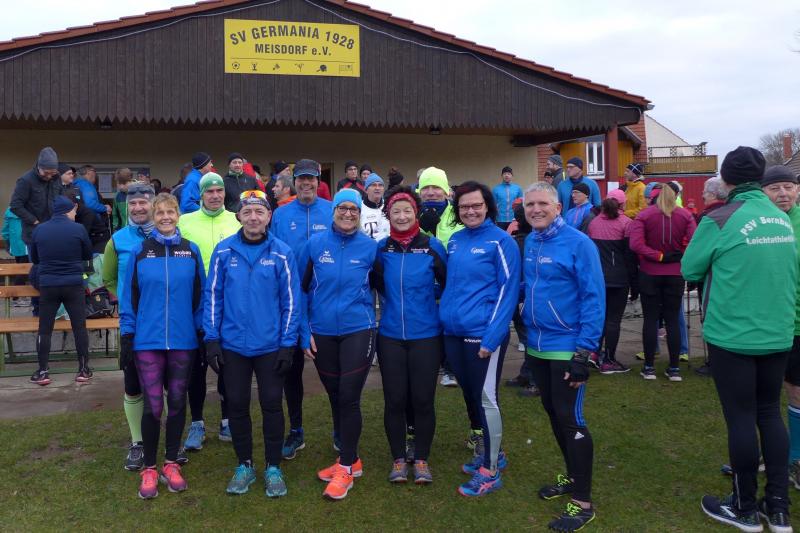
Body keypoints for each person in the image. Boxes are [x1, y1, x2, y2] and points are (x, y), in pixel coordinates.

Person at [683, 148, 797, 532]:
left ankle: (744, 507)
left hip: (733, 335)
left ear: (726, 180)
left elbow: (690, 268)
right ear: (761, 178)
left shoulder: (719, 217)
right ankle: (778, 509)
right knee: (771, 413)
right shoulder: (781, 219)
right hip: (778, 331)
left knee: (742, 418)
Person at [204, 189, 300, 497]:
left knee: (272, 404)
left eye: (260, 211)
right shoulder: (223, 251)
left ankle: (273, 467)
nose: (254, 217)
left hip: (270, 346)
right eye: (248, 212)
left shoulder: (282, 252)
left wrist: (288, 344)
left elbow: (291, 301)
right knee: (236, 404)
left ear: (269, 216)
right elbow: (213, 297)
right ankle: (244, 464)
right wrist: (212, 339)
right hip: (233, 346)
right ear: (239, 217)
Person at [521, 182, 603, 532]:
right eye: (530, 205)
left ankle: (583, 503)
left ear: (558, 207)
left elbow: (593, 297)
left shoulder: (579, 243)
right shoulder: (531, 241)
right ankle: (572, 477)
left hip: (568, 345)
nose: (536, 210)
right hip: (537, 344)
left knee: (571, 418)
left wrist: (584, 352)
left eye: (543, 203)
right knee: (554, 413)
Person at [119, 193, 205, 500]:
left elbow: (201, 296)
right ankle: (150, 467)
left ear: (178, 215)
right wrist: (127, 335)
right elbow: (128, 297)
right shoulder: (140, 252)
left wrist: (202, 333)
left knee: (178, 402)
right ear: (153, 217)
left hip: (183, 340)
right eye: (160, 213)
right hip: (148, 341)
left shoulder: (191, 250)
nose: (166, 217)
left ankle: (171, 463)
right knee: (154, 406)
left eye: (171, 212)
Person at [298, 188, 381, 500]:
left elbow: (384, 288)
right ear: (333, 211)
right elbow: (300, 289)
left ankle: (345, 467)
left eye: (354, 209)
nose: (348, 214)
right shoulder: (314, 244)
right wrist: (304, 330)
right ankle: (352, 459)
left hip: (358, 328)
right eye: (342, 208)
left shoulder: (371, 248)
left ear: (360, 213)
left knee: (348, 396)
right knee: (335, 395)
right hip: (321, 331)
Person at [439, 181, 520, 497]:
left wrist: (493, 336)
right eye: (464, 206)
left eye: (476, 205)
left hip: (483, 334)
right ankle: (492, 450)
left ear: (487, 206)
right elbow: (452, 285)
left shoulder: (501, 241)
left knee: (487, 399)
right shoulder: (456, 240)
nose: (470, 211)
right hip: (454, 333)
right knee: (472, 395)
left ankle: (490, 469)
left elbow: (508, 290)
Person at [376, 186, 447, 484]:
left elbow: (448, 285)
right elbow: (376, 283)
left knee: (422, 400)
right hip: (390, 335)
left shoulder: (433, 246)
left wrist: (428, 301)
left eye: (407, 210)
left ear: (416, 213)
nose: (402, 216)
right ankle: (397, 459)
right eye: (396, 211)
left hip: (426, 335)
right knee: (394, 400)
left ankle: (421, 459)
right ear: (388, 215)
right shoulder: (381, 249)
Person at [102, 182, 168, 471]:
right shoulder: (117, 240)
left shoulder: (169, 235)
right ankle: (138, 442)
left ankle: (169, 440)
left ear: (153, 204)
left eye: (143, 202)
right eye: (133, 204)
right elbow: (108, 279)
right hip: (133, 324)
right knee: (133, 385)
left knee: (168, 383)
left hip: (165, 322)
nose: (138, 208)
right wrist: (127, 301)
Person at [271, 158, 332, 460]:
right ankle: (296, 430)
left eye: (311, 179)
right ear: (294, 182)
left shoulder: (332, 210)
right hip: (290, 301)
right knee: (290, 371)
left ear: (318, 181)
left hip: (324, 301)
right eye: (301, 179)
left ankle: (340, 431)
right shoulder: (281, 214)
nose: (306, 183)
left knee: (332, 372)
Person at [178, 173, 242, 450]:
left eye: (219, 191)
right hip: (194, 304)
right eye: (209, 191)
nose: (215, 196)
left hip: (229, 306)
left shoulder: (236, 220)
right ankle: (197, 422)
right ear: (201, 195)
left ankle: (227, 420)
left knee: (227, 365)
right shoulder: (185, 222)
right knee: (196, 368)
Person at [759, 166, 800, 495]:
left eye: (788, 186)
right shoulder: (759, 223)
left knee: (796, 390)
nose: (783, 193)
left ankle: (794, 459)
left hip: (795, 322)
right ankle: (775, 455)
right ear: (763, 193)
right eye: (775, 188)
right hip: (767, 322)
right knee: (768, 394)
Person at [629, 182, 695, 381]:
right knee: (672, 319)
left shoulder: (644, 215)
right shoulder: (685, 215)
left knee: (650, 319)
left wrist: (657, 256)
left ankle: (649, 367)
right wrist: (680, 254)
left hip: (650, 272)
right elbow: (695, 241)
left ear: (654, 197)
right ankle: (674, 369)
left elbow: (635, 244)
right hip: (675, 272)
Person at [28, 196, 93, 385]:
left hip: (48, 285)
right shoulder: (79, 229)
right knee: (79, 327)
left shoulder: (39, 230)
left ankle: (42, 371)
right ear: (68, 210)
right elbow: (87, 255)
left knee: (45, 329)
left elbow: (35, 259)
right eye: (73, 211)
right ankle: (83, 370)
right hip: (74, 285)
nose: (75, 214)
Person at [416, 166, 463, 387]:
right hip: (423, 284)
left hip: (453, 282)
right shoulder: (413, 213)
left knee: (450, 327)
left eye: (436, 187)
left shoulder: (458, 214)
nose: (431, 192)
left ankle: (451, 369)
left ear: (446, 190)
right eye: (426, 188)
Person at [587, 188, 636, 374]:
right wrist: (634, 282)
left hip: (597, 278)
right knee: (613, 321)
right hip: (618, 279)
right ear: (622, 204)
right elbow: (630, 257)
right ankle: (608, 360)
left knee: (599, 318)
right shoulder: (627, 223)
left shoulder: (594, 222)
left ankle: (593, 353)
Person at [10, 147, 63, 246]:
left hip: (54, 230)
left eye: (52, 173)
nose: (49, 176)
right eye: (46, 173)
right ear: (39, 167)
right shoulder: (26, 180)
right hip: (34, 232)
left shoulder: (57, 177)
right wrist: (35, 221)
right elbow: (15, 206)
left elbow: (60, 198)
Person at [492, 166, 524, 230]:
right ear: (502, 175)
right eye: (504, 174)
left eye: (509, 174)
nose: (506, 175)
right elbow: (493, 205)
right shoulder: (496, 189)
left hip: (514, 219)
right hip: (500, 220)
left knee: (514, 236)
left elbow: (521, 204)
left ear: (512, 176)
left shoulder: (518, 188)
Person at [360, 173, 390, 241]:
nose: (377, 188)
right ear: (366, 190)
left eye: (380, 185)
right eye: (373, 185)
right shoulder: (359, 208)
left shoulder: (389, 205)